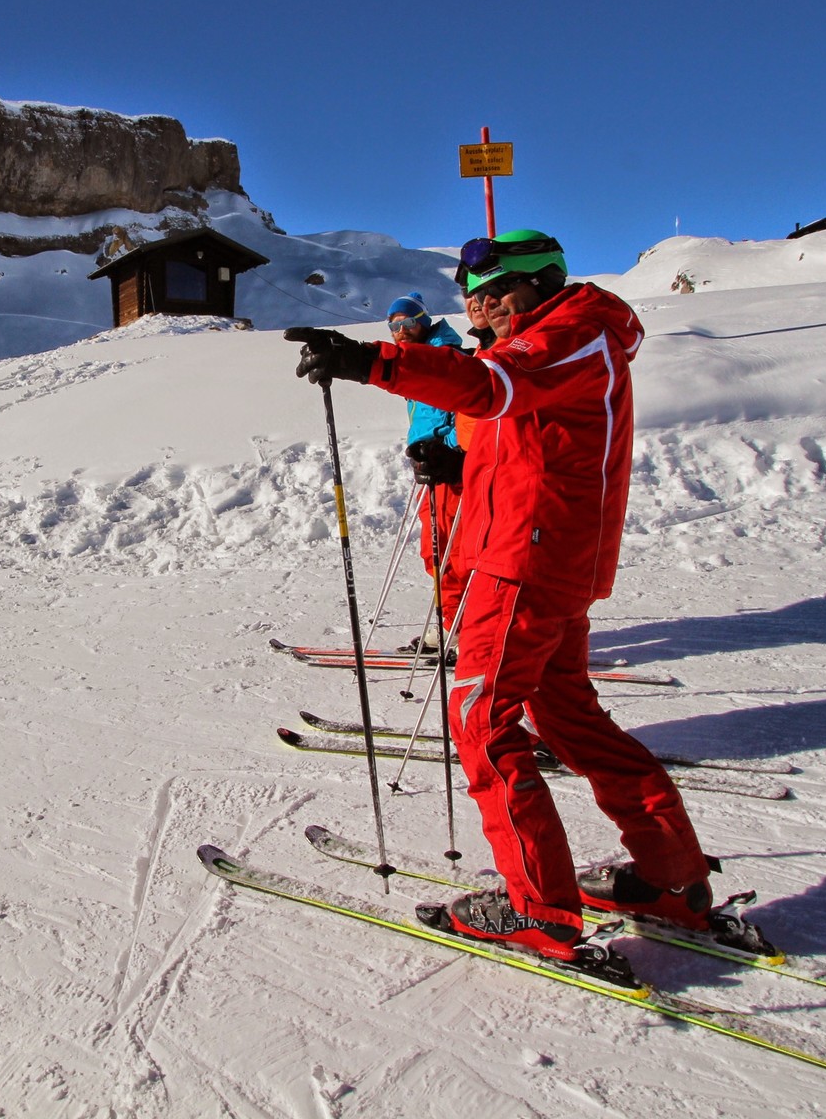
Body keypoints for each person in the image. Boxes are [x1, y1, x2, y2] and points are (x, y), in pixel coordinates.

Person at [288, 229, 716, 962]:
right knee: (570, 719)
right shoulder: (560, 337)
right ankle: (670, 883)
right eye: (472, 300)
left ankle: (539, 912)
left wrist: (371, 361)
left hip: (527, 560)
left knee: (480, 718)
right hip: (535, 554)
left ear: (542, 283)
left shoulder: (573, 332)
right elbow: (519, 427)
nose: (482, 313)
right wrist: (454, 459)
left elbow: (496, 388)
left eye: (494, 296)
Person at [385, 292, 466, 654]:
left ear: (424, 321)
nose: (401, 331)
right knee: (439, 552)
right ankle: (458, 623)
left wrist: (445, 447)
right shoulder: (419, 360)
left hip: (449, 471)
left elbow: (466, 415)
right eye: (394, 326)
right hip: (432, 468)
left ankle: (456, 630)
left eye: (408, 323)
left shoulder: (445, 358)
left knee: (443, 552)